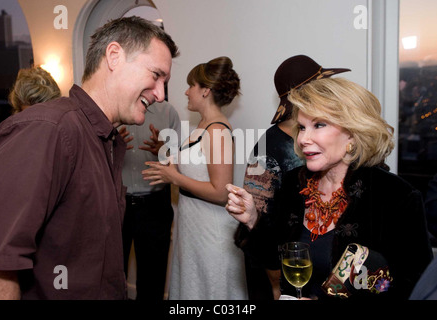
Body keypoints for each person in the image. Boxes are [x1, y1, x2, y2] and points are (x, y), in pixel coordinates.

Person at [0, 16, 179, 300]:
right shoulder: (49, 129)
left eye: (165, 82)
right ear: (114, 56)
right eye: (155, 75)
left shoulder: (105, 139)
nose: (161, 95)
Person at [226, 76, 433, 300]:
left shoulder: (395, 196)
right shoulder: (294, 183)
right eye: (302, 127)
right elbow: (272, 260)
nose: (304, 138)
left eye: (319, 125)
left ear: (352, 132)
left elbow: (415, 289)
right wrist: (252, 219)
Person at [237, 55, 349, 300]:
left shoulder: (339, 142)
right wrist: (278, 283)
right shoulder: (269, 146)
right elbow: (258, 224)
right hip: (279, 273)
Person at [142, 56, 248, 300]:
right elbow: (197, 165)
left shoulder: (218, 130)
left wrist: (175, 178)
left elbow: (222, 192)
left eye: (192, 85)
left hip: (211, 230)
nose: (187, 91)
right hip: (194, 225)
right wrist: (165, 151)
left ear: (206, 91)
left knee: (210, 289)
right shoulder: (203, 125)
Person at [121, 100, 181, 300]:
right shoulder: (112, 110)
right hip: (115, 204)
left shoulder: (167, 112)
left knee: (153, 282)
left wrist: (163, 151)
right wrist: (109, 147)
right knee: (111, 276)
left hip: (155, 205)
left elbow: (179, 163)